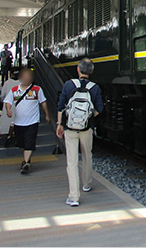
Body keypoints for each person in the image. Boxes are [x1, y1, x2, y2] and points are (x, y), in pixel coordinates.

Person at [56, 58, 104, 207]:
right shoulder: (95, 87)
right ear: (91, 71)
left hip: (70, 129)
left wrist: (59, 124)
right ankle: (87, 184)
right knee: (87, 155)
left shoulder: (69, 85)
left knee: (72, 162)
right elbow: (100, 109)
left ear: (78, 69)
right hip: (86, 128)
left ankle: (74, 197)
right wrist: (89, 116)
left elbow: (61, 105)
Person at [3, 68, 50, 174]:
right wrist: (8, 109)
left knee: (29, 142)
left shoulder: (37, 89)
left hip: (32, 121)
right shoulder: (15, 90)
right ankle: (27, 160)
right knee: (21, 144)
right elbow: (7, 101)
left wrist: (47, 115)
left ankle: (25, 162)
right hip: (18, 122)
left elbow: (43, 102)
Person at [0, 68, 21, 146]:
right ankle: (17, 138)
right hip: (20, 106)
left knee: (8, 122)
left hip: (9, 106)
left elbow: (2, 95)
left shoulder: (7, 83)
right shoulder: (22, 83)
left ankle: (9, 136)